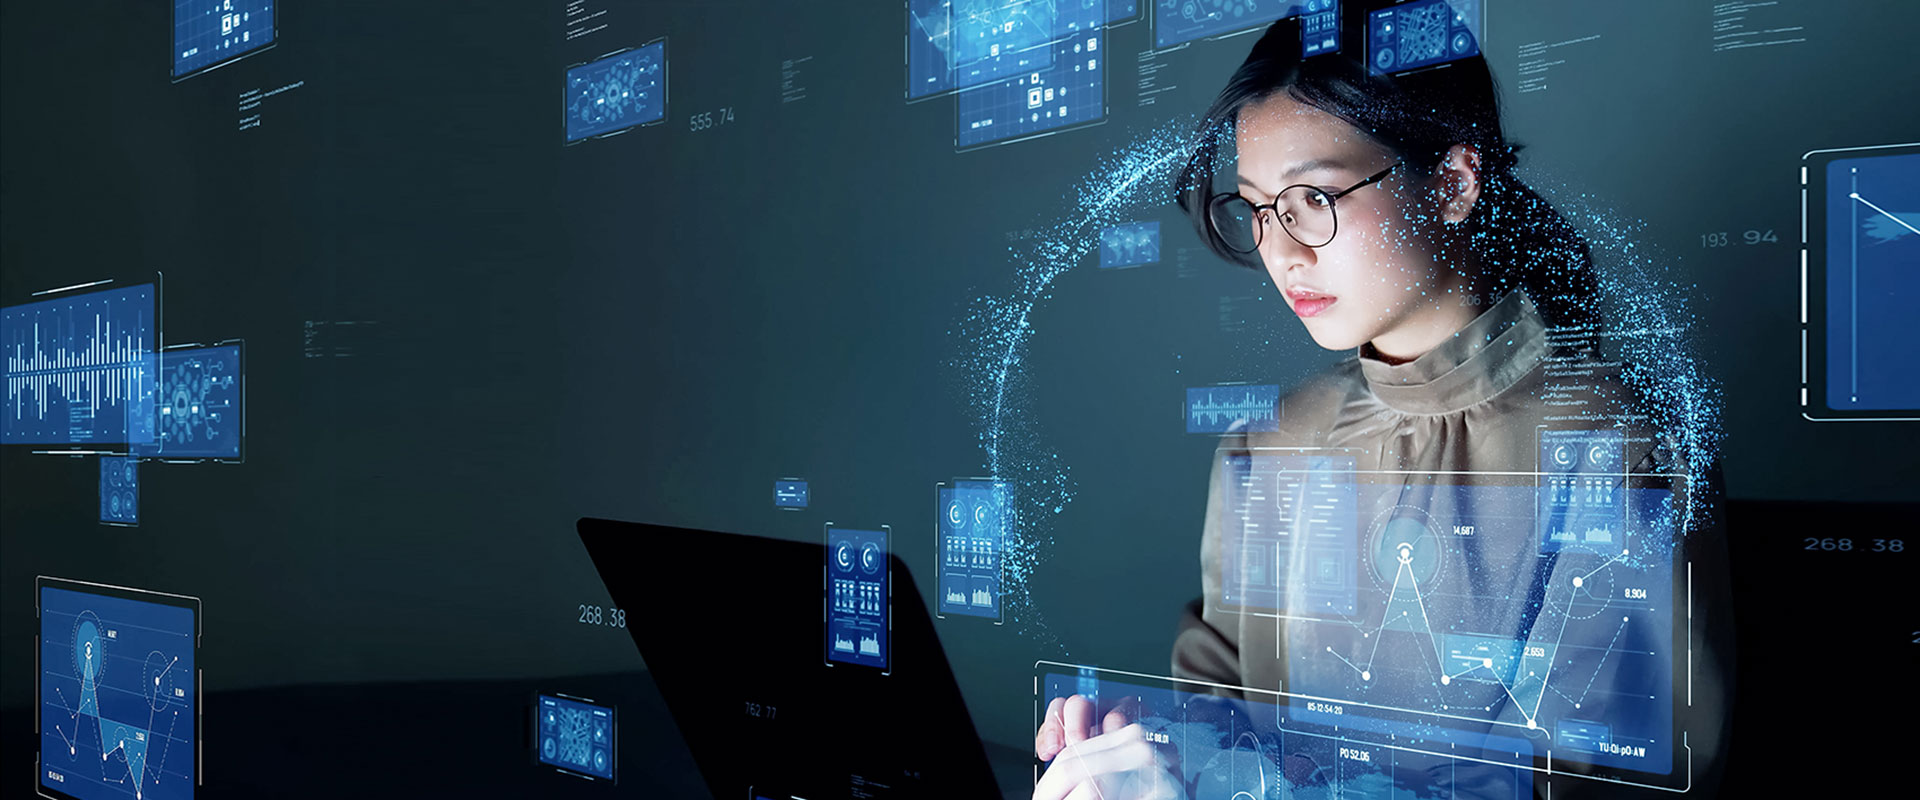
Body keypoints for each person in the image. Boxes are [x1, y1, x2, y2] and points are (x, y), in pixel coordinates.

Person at [1033, 13, 1731, 800]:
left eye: (1314, 196)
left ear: (1453, 183)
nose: (1282, 247)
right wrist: (1143, 739)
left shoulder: (1615, 443)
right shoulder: (1266, 445)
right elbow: (1217, 708)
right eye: (1260, 207)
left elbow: (1611, 781)